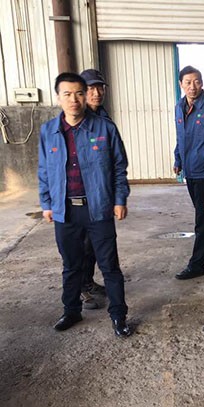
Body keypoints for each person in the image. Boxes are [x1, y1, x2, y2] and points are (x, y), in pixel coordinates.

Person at [38, 72, 132, 337]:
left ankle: (118, 316)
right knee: (71, 266)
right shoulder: (48, 131)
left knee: (109, 265)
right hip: (65, 210)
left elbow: (119, 167)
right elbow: (44, 170)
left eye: (79, 93)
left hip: (98, 207)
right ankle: (71, 311)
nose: (74, 99)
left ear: (85, 95)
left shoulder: (105, 128)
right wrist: (46, 203)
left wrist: (119, 199)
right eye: (67, 94)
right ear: (58, 98)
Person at [173, 66, 204, 280]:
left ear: (202, 82)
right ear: (181, 84)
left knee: (202, 220)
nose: (193, 86)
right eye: (188, 82)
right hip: (190, 172)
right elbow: (180, 136)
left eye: (197, 81)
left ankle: (197, 264)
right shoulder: (179, 107)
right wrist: (178, 159)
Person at [76, 68, 112, 309]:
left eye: (100, 87)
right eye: (91, 88)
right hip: (80, 194)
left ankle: (88, 282)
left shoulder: (104, 118)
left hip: (100, 193)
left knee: (95, 243)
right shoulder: (76, 119)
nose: (96, 93)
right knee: (81, 244)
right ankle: (80, 288)